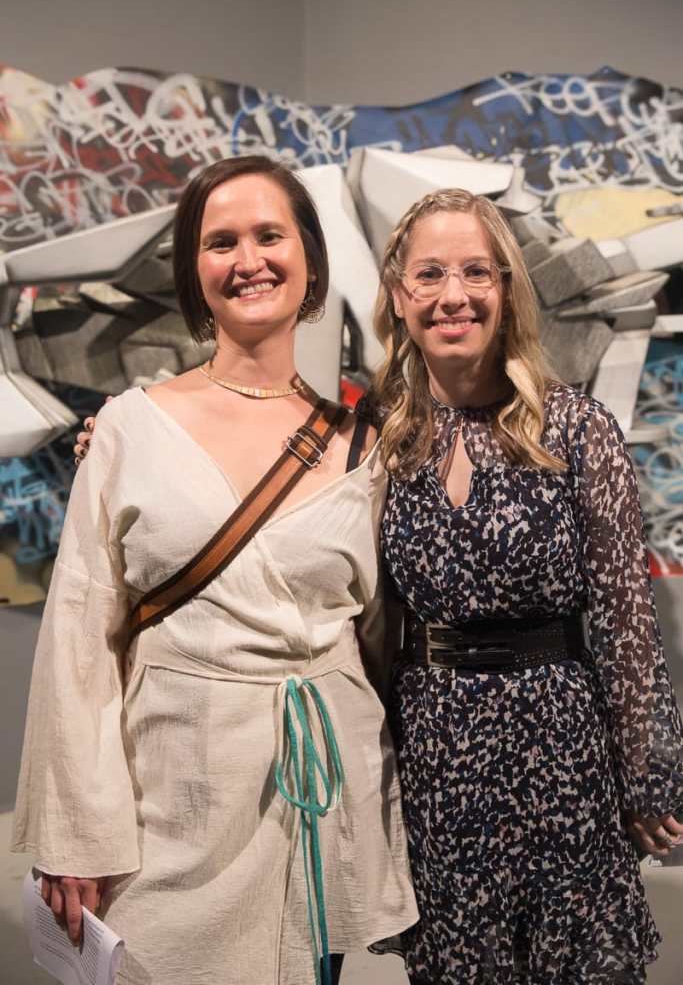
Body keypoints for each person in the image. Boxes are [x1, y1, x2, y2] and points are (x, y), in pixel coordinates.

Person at [12, 155, 418, 985]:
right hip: (176, 795)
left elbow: (378, 638)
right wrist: (74, 833)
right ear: (195, 275)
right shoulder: (130, 427)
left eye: (270, 235)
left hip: (319, 789)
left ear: (308, 257)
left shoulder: (361, 446)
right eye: (220, 242)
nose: (248, 261)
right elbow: (80, 641)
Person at [366, 186, 683, 983]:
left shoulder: (575, 429)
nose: (453, 295)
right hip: (435, 755)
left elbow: (624, 618)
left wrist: (647, 775)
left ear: (506, 289)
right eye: (429, 274)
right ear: (399, 296)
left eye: (477, 271)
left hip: (561, 747)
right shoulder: (381, 442)